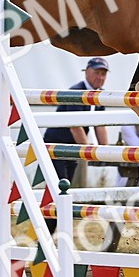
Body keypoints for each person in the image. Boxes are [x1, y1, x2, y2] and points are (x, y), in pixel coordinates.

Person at [41, 57, 111, 189]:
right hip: (57, 143)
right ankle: (51, 208)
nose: (100, 77)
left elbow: (100, 125)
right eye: (97, 73)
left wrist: (106, 151)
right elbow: (75, 126)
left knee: (66, 184)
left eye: (103, 74)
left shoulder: (100, 94)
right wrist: (89, 151)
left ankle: (56, 208)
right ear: (86, 72)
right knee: (59, 184)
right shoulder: (77, 92)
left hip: (72, 144)